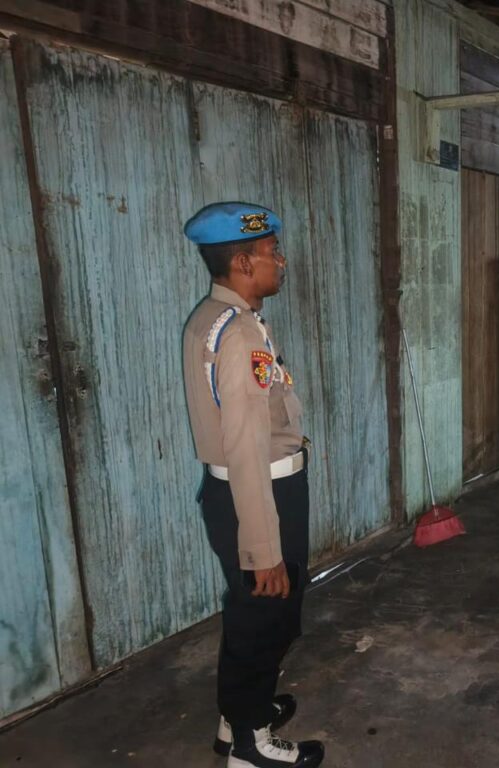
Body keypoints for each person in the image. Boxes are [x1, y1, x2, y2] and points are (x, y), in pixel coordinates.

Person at [182, 202, 324, 768]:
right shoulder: (239, 334)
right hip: (259, 496)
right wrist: (263, 549)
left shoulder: (219, 318)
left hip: (247, 493)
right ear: (243, 262)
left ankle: (239, 714)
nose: (280, 261)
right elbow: (244, 447)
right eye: (271, 252)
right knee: (265, 617)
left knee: (257, 612)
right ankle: (250, 746)